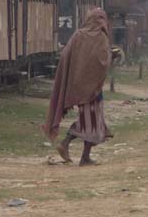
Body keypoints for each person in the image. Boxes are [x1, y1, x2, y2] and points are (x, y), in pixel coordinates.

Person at [42, 8, 113, 166]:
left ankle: (76, 150)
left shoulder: (78, 35)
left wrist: (72, 77)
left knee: (91, 120)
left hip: (78, 86)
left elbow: (66, 56)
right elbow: (102, 61)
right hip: (93, 90)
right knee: (91, 122)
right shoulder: (101, 37)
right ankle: (73, 148)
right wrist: (111, 55)